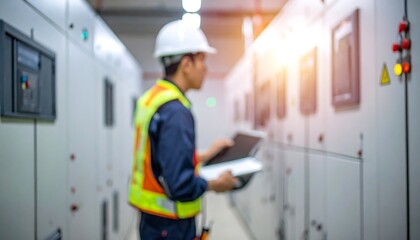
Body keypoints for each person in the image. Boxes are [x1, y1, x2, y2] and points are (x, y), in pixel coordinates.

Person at [128, 20, 239, 240]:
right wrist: (216, 184)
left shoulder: (152, 99)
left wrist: (206, 154)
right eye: (202, 61)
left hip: (152, 221)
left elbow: (161, 159)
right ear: (186, 64)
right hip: (170, 227)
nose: (206, 69)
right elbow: (180, 185)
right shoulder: (176, 111)